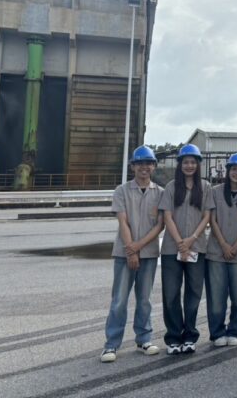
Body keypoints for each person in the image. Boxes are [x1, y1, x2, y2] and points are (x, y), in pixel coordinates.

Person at [100, 145, 164, 363]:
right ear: (133, 167)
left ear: (154, 166)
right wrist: (131, 250)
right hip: (123, 253)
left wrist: (138, 247)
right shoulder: (122, 191)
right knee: (119, 299)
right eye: (139, 164)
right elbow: (123, 221)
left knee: (145, 299)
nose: (144, 167)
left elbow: (160, 226)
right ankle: (111, 344)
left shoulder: (160, 193)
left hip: (149, 253)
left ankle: (144, 338)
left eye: (148, 163)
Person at [158, 143, 215, 355]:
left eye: (193, 162)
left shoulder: (205, 187)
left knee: (193, 293)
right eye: (185, 162)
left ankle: (190, 336)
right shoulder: (171, 187)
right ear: (180, 164)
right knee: (171, 294)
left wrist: (191, 239)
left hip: (196, 248)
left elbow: (207, 216)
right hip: (172, 249)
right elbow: (167, 216)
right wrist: (180, 242)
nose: (189, 165)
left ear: (198, 164)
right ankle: (173, 337)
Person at [206, 153, 237, 347]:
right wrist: (224, 245)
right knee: (216, 295)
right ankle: (217, 332)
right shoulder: (215, 192)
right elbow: (212, 220)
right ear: (228, 170)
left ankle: (235, 330)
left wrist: (235, 245)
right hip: (216, 252)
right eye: (234, 169)